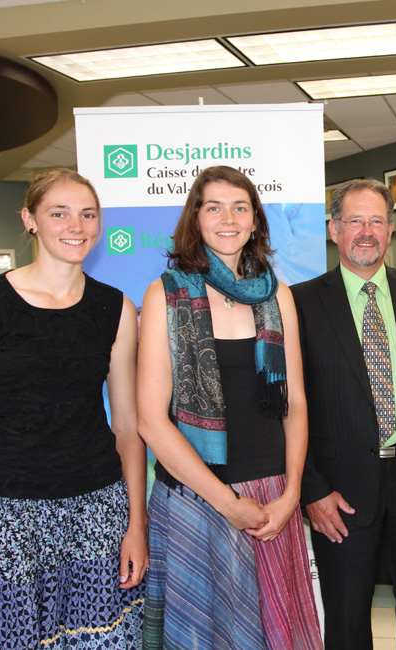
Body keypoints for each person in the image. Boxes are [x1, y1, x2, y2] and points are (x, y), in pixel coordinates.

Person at [0, 168, 147, 649]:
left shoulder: (116, 309)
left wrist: (136, 525)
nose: (76, 226)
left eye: (88, 214)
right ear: (30, 220)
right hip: (5, 516)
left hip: (97, 512)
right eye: (59, 213)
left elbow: (128, 427)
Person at [137, 166, 321, 650]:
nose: (228, 219)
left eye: (240, 208)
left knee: (277, 634)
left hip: (271, 500)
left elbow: (296, 404)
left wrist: (292, 494)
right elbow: (150, 420)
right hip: (197, 499)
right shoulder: (166, 294)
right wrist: (226, 503)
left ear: (255, 220)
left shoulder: (277, 295)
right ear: (195, 218)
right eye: (214, 207)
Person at [291, 178, 396, 650]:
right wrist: (311, 489)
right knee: (345, 618)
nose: (367, 232)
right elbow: (285, 408)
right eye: (355, 221)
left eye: (377, 222)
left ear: (390, 230)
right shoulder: (300, 302)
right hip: (338, 489)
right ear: (333, 229)